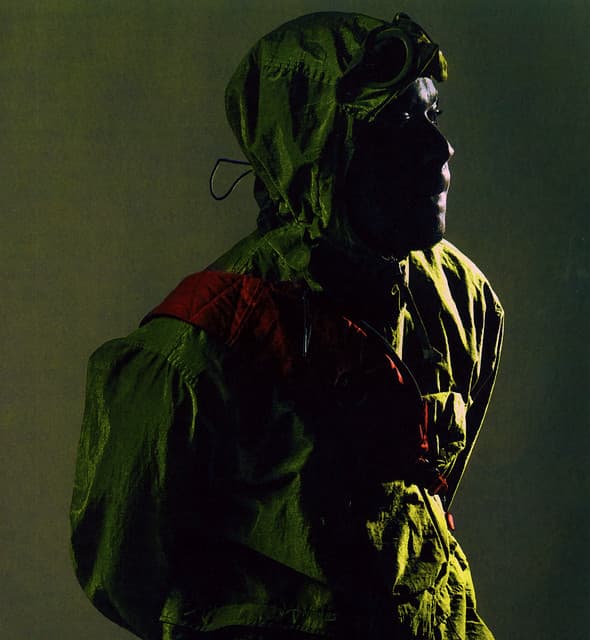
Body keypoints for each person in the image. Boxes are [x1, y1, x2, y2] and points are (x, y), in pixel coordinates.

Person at [70, 11, 504, 640]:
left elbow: (425, 499)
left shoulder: (461, 300)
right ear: (318, 149)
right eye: (398, 124)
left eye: (432, 115)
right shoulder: (199, 347)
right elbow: (122, 568)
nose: (440, 149)